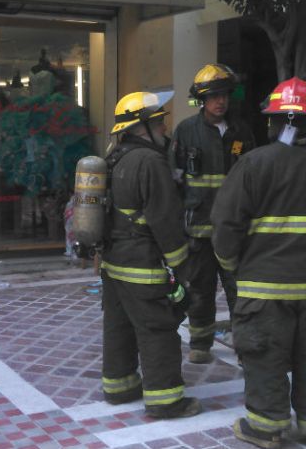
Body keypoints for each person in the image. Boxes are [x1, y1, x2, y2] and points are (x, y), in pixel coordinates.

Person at [210, 77, 306, 448]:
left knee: (265, 356)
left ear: (273, 122)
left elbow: (226, 224)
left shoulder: (253, 164)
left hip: (263, 290)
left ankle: (266, 429)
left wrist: (230, 264)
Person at [100, 90, 202, 419]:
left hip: (113, 262)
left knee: (119, 326)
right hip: (142, 263)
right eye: (158, 122)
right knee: (157, 328)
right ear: (141, 127)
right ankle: (165, 400)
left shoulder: (114, 157)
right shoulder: (150, 161)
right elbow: (165, 220)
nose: (163, 128)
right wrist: (180, 264)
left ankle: (120, 386)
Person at [168, 63, 255, 364]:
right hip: (199, 230)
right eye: (214, 96)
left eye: (225, 95)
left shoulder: (241, 131)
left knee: (238, 290)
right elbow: (174, 179)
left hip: (234, 229)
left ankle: (244, 346)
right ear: (201, 100)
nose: (221, 101)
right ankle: (201, 343)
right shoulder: (186, 131)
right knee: (200, 290)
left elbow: (253, 178)